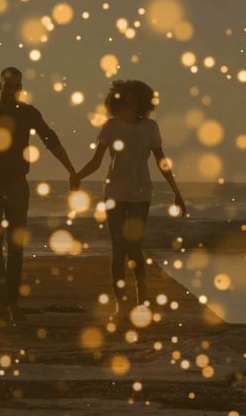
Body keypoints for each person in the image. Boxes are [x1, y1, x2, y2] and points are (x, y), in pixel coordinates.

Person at [0, 67, 77, 322]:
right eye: (8, 86)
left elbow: (50, 140)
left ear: (21, 89)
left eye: (16, 87)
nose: (12, 91)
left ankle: (13, 302)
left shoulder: (28, 113)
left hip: (18, 184)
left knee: (16, 246)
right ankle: (1, 301)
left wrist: (71, 171)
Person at [72, 80, 186, 322]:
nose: (131, 103)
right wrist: (77, 176)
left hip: (141, 194)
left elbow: (161, 162)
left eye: (135, 100)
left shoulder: (150, 127)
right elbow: (96, 161)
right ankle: (120, 305)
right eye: (127, 99)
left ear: (142, 102)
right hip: (114, 193)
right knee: (117, 248)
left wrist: (177, 192)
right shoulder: (110, 127)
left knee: (134, 246)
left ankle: (142, 296)